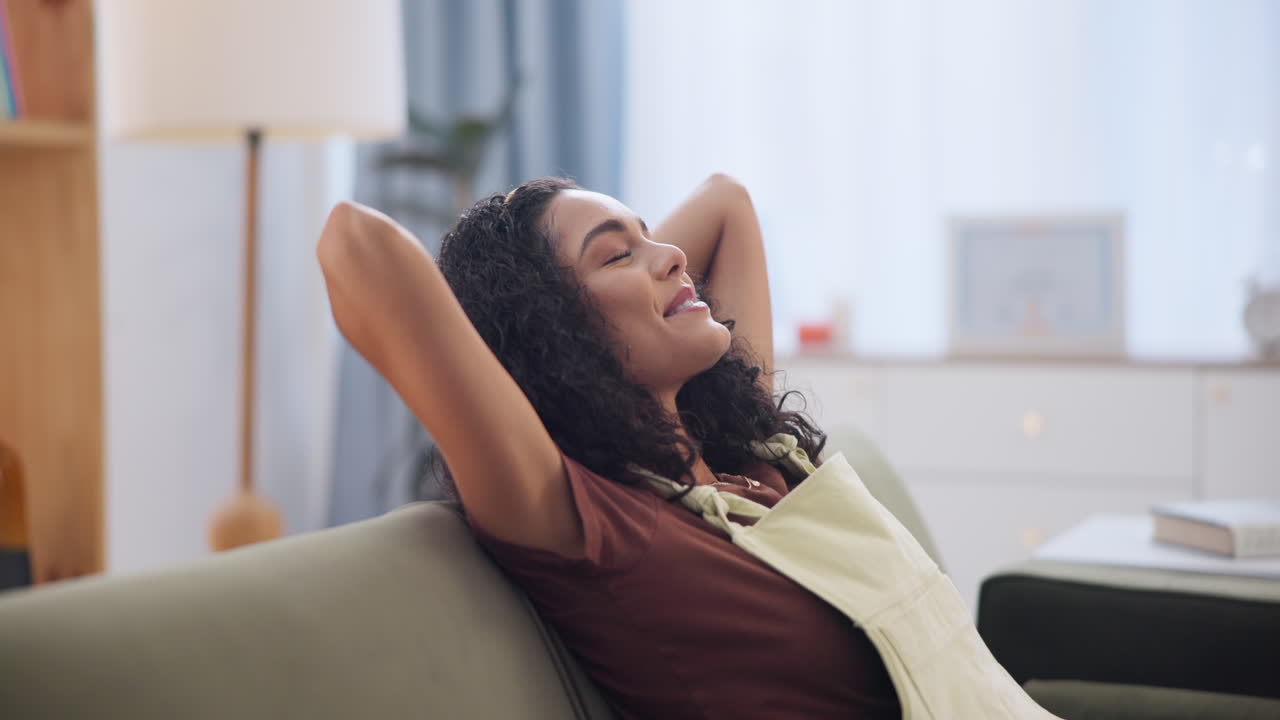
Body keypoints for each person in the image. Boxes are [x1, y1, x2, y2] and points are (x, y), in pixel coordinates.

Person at [316, 175, 902, 718]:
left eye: (652, 238)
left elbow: (727, 201)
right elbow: (355, 243)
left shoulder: (747, 455)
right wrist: (544, 326)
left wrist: (629, 265)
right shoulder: (603, 524)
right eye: (619, 254)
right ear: (554, 332)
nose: (676, 256)